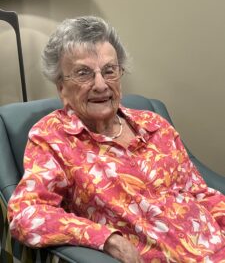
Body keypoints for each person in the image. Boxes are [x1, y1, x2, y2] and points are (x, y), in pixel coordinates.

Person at [7, 16, 225, 263]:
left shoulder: (154, 124)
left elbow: (200, 193)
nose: (100, 85)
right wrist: (107, 238)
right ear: (61, 88)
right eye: (83, 73)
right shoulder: (54, 138)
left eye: (109, 70)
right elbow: (26, 215)